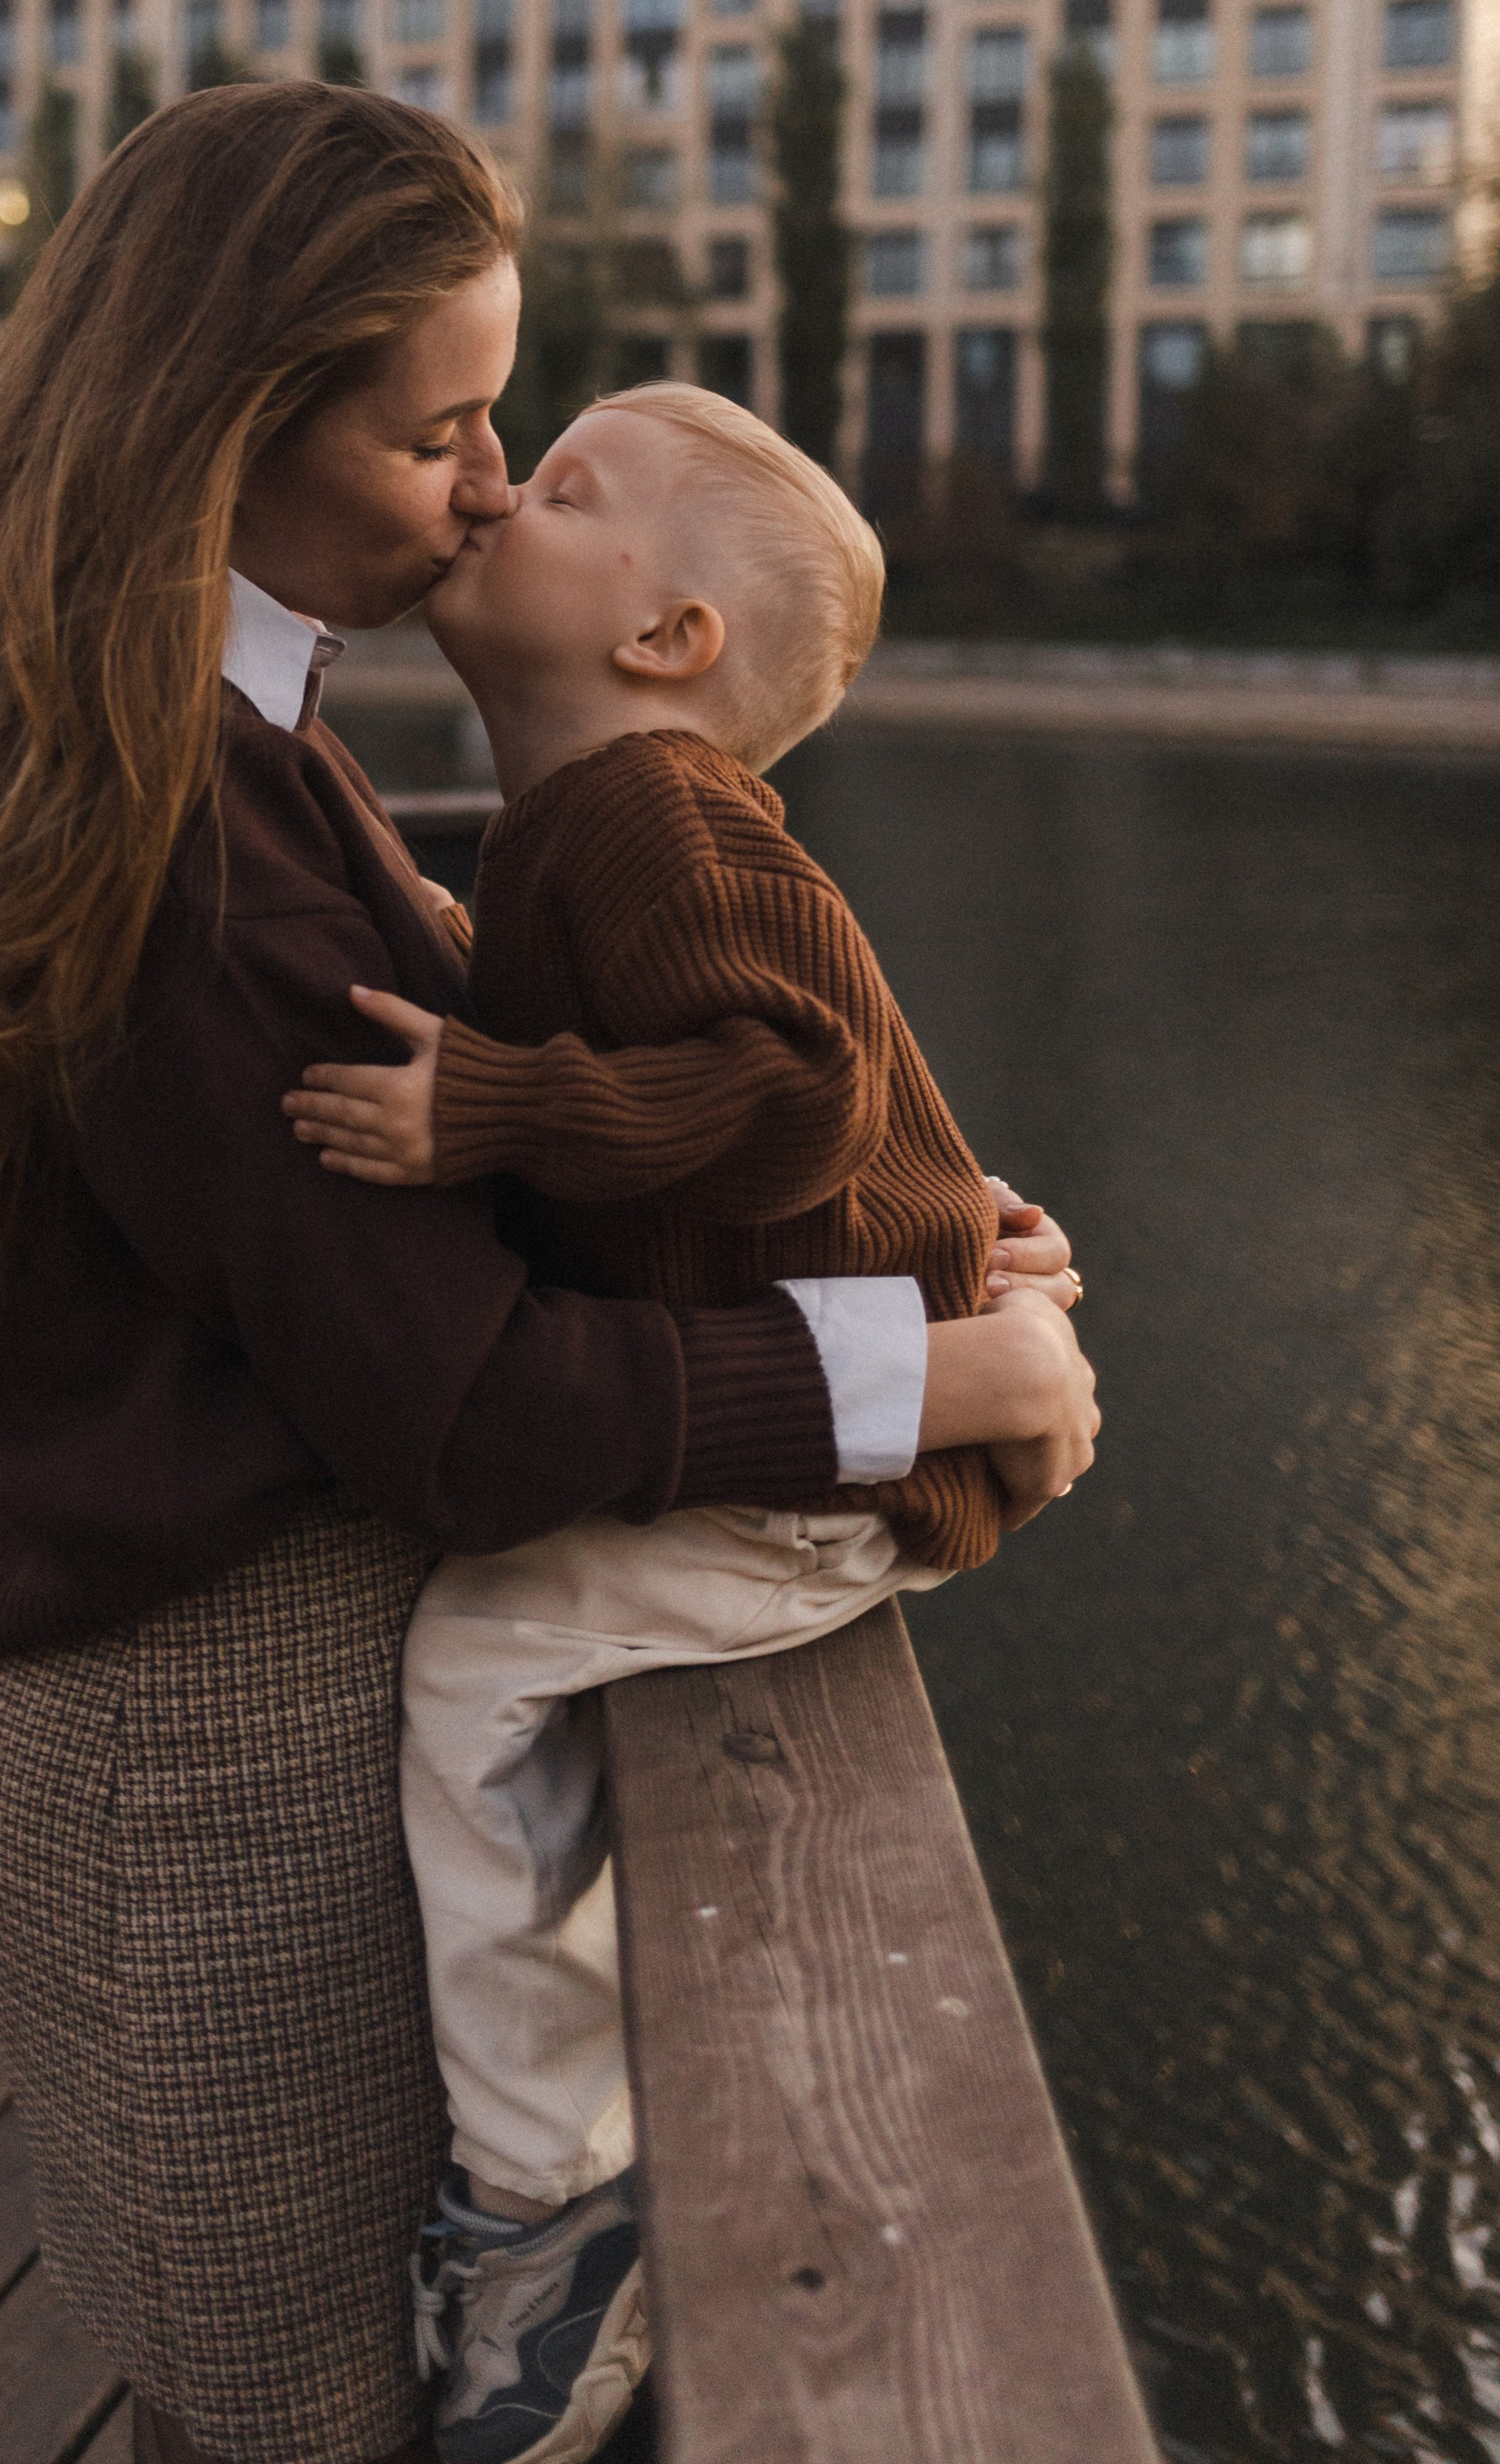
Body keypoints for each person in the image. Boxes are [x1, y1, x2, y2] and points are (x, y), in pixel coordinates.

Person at [0, 87, 1096, 2464]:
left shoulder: (195, 749)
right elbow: (466, 1412)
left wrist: (898, 1229)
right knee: (294, 2425)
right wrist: (926, 1380)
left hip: (215, 1725)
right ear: (228, 427)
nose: (486, 487)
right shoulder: (213, 846)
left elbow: (464, 1194)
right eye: (441, 435)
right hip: (215, 1774)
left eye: (509, 429)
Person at [285, 383, 1090, 2464]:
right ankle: (559, 2168)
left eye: (554, 488)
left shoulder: (645, 812)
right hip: (810, 1410)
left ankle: (550, 2209)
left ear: (663, 642)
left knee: (473, 1668)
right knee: (496, 1663)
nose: (489, 490)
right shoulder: (587, 821)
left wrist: (491, 1103)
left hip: (818, 1471)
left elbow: (787, 1085)